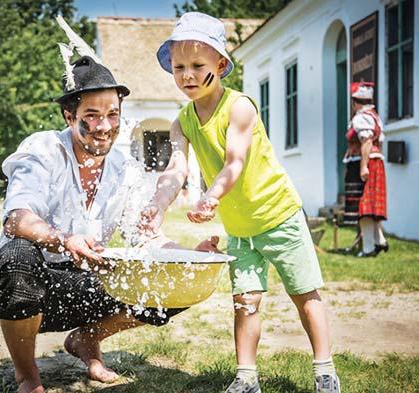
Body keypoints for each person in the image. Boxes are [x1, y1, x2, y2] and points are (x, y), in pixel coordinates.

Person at [0, 27, 219, 390]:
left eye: (112, 114)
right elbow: (17, 220)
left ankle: (86, 340)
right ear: (68, 116)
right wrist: (64, 239)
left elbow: (145, 238)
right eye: (91, 114)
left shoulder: (125, 170)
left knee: (174, 280)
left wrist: (188, 257)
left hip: (88, 287)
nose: (104, 126)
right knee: (17, 257)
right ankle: (27, 374)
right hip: (29, 285)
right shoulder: (43, 150)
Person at [140, 12, 340, 393]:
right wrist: (159, 204)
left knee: (304, 296)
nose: (187, 75)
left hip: (278, 215)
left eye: (198, 65)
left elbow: (235, 161)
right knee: (245, 303)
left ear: (220, 64)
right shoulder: (182, 121)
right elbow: (175, 170)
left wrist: (211, 196)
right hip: (241, 228)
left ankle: (325, 371)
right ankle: (246, 379)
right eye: (179, 67)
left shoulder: (240, 107)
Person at [343, 82, 388, 257]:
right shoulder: (375, 116)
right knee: (370, 206)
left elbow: (367, 141)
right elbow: (379, 142)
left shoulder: (361, 117)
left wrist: (363, 166)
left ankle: (368, 248)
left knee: (364, 207)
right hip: (376, 162)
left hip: (364, 163)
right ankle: (379, 241)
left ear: (355, 102)